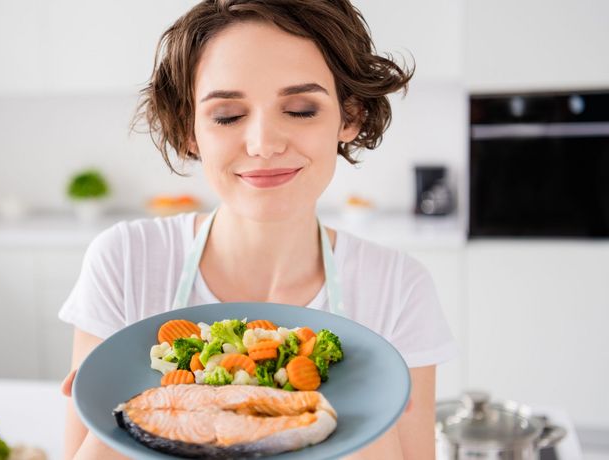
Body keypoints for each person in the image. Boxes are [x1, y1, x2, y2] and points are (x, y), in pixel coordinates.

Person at [58, 1, 456, 459]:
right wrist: (117, 418)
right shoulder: (125, 260)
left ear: (350, 116)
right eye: (227, 115)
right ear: (191, 130)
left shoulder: (397, 287)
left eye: (302, 109)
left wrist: (374, 418)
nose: (264, 143)